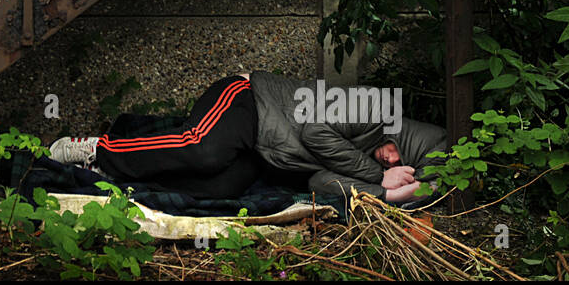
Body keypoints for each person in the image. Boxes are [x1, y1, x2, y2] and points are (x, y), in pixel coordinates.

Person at [49, 71, 446, 205]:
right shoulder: (371, 108)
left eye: (398, 172)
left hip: (263, 152)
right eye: (397, 164)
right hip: (247, 100)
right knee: (202, 149)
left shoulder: (377, 166)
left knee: (219, 187)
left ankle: (110, 174)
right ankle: (98, 147)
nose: (392, 166)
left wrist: (388, 195)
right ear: (400, 143)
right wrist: (377, 179)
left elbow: (318, 182)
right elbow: (313, 130)